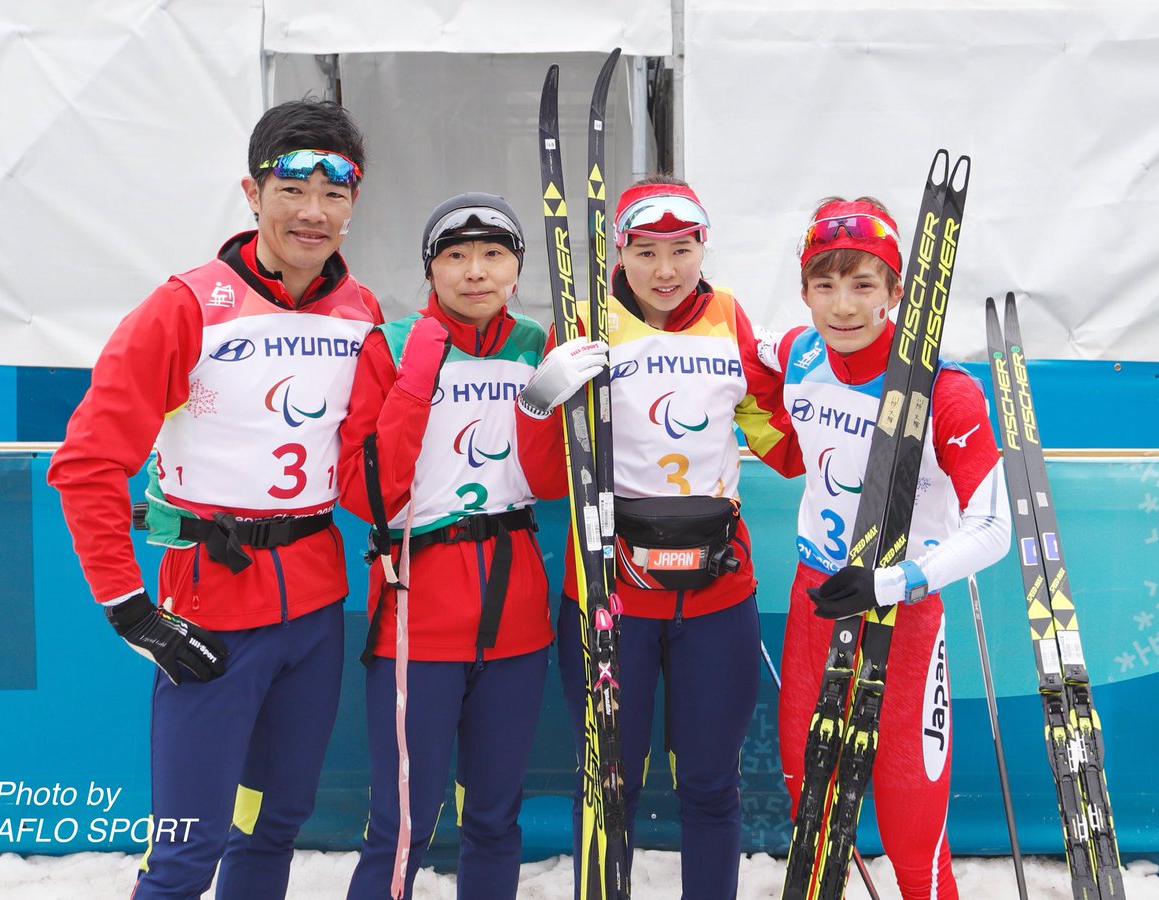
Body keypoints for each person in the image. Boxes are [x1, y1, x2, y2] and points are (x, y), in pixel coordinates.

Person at [47, 98, 380, 899]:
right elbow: (88, 462)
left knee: (275, 824)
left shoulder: (361, 311)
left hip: (315, 608)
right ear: (252, 191)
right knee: (187, 854)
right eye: (292, 187)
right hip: (213, 609)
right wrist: (132, 612)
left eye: (335, 193)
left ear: (354, 203)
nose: (313, 212)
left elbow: (379, 463)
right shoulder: (187, 305)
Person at [516, 175, 798, 899]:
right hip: (614, 594)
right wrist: (542, 396)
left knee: (710, 781)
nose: (665, 270)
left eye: (682, 249)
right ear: (621, 251)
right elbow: (549, 479)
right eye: (646, 252)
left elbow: (785, 446)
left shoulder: (730, 320)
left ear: (705, 247)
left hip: (716, 595)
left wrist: (819, 373)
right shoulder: (586, 320)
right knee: (610, 784)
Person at [764, 196, 1011, 899]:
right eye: (825, 284)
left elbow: (995, 527)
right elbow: (740, 361)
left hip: (901, 620)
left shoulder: (945, 391)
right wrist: (775, 444)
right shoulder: (796, 351)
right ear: (805, 289)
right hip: (815, 606)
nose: (842, 305)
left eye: (863, 284)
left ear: (897, 292)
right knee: (810, 817)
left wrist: (896, 582)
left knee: (912, 836)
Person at [337, 193, 553, 900]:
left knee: (494, 818)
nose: (474, 272)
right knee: (403, 824)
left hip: (514, 607)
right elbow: (369, 494)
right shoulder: (394, 342)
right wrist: (419, 375)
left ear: (516, 269)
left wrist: (549, 402)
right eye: (454, 255)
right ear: (431, 269)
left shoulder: (533, 347)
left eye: (494, 254)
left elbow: (548, 482)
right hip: (417, 611)